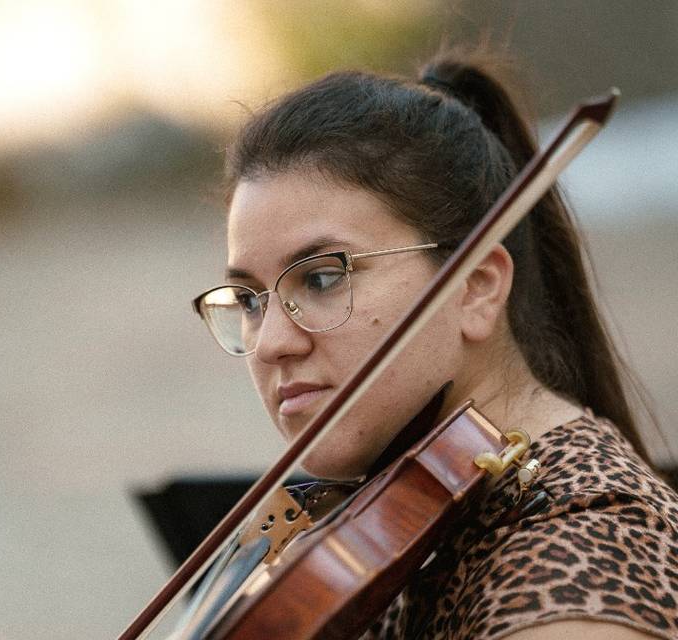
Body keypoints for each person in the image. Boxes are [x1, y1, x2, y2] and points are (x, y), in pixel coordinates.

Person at [190, 49, 678, 639]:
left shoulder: (585, 549)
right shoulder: (389, 525)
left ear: (476, 287)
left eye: (321, 278)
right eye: (249, 300)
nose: (271, 345)